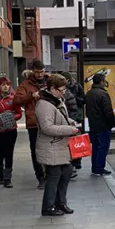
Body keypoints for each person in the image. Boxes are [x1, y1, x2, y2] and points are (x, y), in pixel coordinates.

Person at [35, 74, 81, 217]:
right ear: (52, 88)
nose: (63, 92)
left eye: (64, 89)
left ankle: (61, 203)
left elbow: (61, 117)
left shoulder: (56, 100)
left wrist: (71, 121)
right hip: (51, 146)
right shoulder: (44, 104)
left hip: (60, 145)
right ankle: (48, 207)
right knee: (54, 176)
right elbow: (47, 127)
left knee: (66, 173)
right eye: (61, 90)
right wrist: (69, 129)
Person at [14, 59, 48, 189]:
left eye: (42, 72)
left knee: (49, 148)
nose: (40, 75)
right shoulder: (25, 84)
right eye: (37, 72)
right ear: (33, 71)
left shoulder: (49, 81)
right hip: (34, 122)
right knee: (36, 150)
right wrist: (31, 96)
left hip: (49, 120)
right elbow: (17, 100)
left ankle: (49, 175)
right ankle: (40, 177)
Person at [0, 77, 22, 188]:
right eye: (3, 85)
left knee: (9, 153)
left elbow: (19, 113)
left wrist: (10, 118)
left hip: (11, 129)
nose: (6, 87)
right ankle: (0, 174)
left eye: (7, 84)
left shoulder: (13, 97)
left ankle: (8, 178)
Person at [85, 74, 115, 176]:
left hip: (93, 124)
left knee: (95, 147)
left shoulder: (89, 93)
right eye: (104, 80)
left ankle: (95, 167)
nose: (105, 82)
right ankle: (99, 168)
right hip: (103, 125)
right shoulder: (103, 94)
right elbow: (108, 112)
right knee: (103, 147)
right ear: (101, 82)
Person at [62, 72, 86, 176]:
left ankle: (77, 160)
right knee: (70, 142)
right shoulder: (62, 89)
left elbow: (83, 99)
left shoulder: (76, 86)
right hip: (68, 118)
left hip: (77, 117)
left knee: (77, 140)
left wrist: (75, 98)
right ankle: (72, 162)